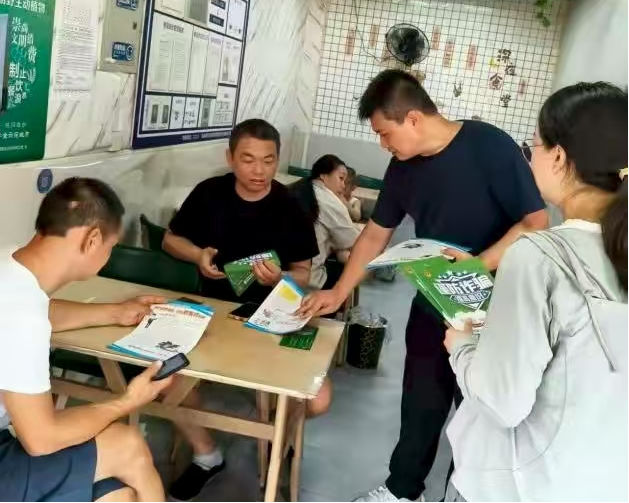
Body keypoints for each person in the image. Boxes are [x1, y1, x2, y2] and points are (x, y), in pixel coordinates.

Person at [298, 69, 549, 503]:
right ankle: (403, 489)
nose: (383, 144)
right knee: (420, 401)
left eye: (385, 132)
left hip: (490, 306)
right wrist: (337, 293)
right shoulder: (403, 168)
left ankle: (462, 493)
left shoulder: (489, 146)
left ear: (413, 119)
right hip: (433, 299)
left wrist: (479, 263)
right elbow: (375, 235)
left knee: (477, 410)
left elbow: (535, 223)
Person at [444, 82, 628, 502]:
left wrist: (462, 345)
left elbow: (501, 401)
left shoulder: (538, 257)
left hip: (527, 484)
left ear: (559, 157)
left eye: (533, 147)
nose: (529, 159)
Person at [162, 118, 332, 501]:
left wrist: (280, 279)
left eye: (268, 161)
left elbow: (303, 273)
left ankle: (278, 434)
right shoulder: (209, 193)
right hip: (213, 314)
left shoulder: (289, 207)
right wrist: (197, 255)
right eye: (248, 160)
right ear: (231, 158)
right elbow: (171, 240)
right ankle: (207, 455)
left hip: (272, 314)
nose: (259, 171)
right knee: (162, 376)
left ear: (277, 160)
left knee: (318, 398)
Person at [0, 177, 173, 502]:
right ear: (92, 240)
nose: (109, 255)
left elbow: (42, 312)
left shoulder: (9, 265)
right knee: (128, 446)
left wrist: (115, 312)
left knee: (117, 496)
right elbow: (41, 439)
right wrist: (127, 401)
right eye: (111, 247)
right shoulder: (21, 315)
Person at [289, 155, 361, 290]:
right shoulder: (329, 201)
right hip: (309, 280)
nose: (343, 185)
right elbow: (356, 241)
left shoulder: (300, 188)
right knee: (349, 261)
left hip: (282, 273)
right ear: (323, 176)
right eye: (341, 178)